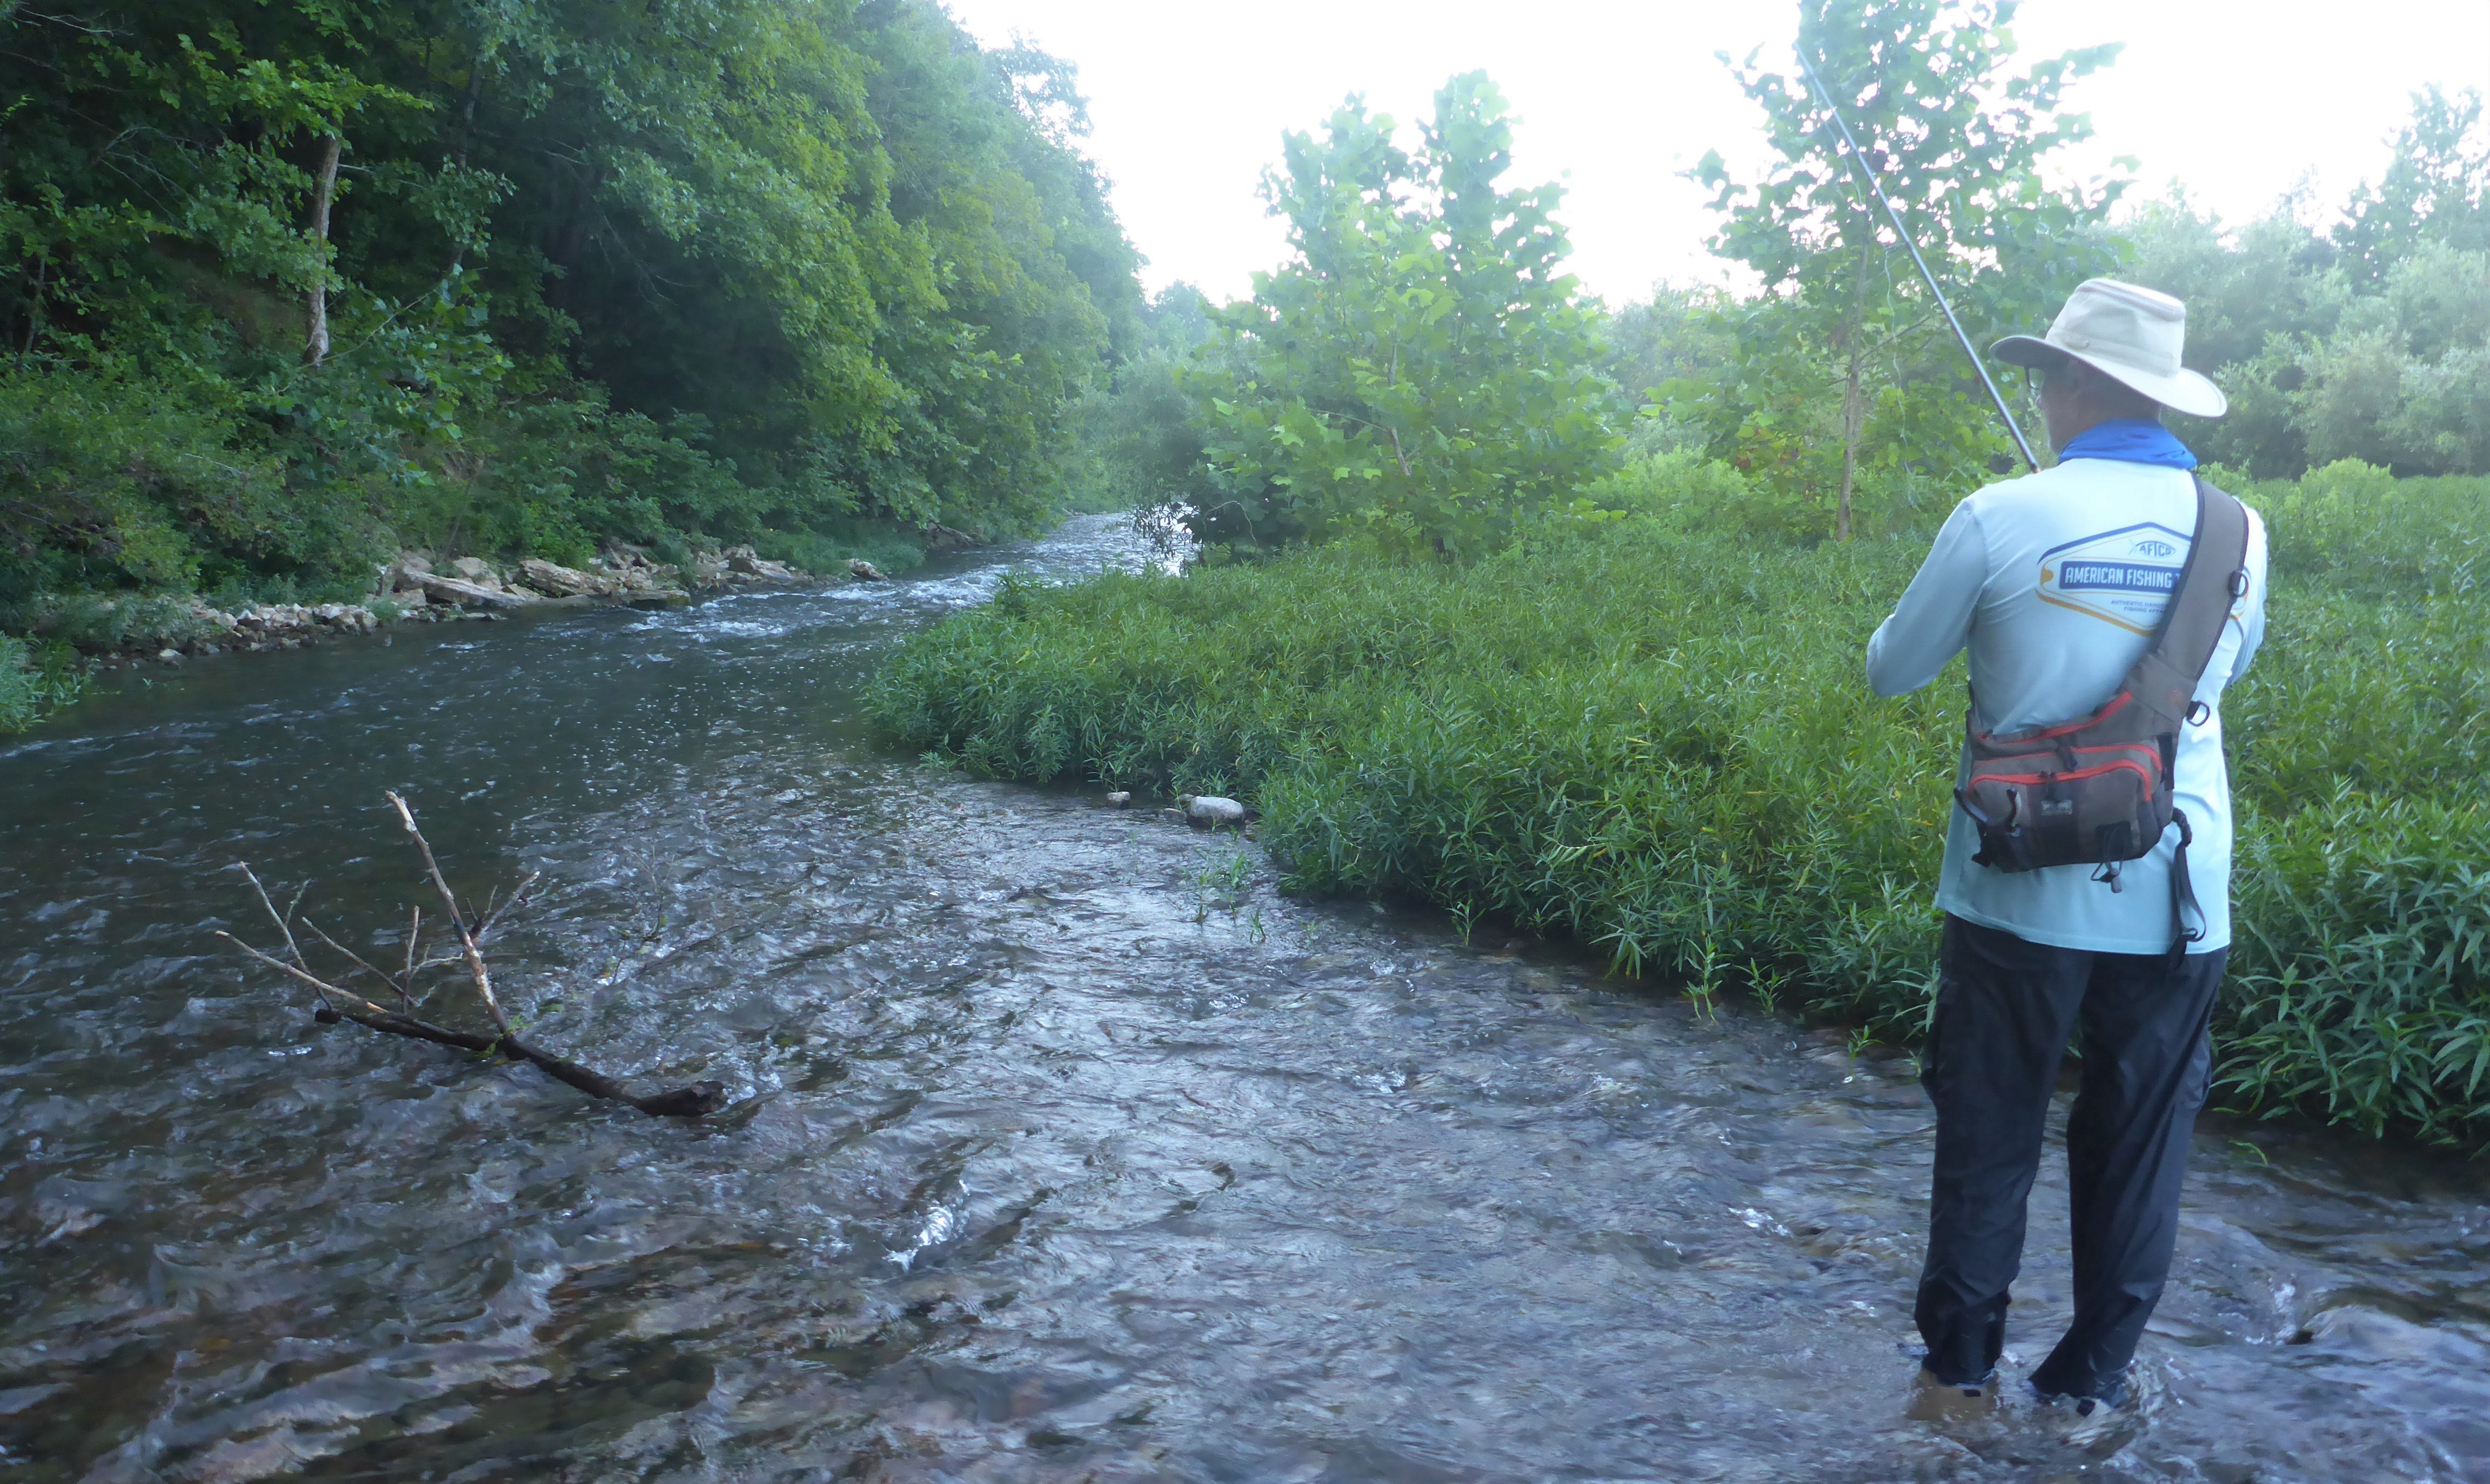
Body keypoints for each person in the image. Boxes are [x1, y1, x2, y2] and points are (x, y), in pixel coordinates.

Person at [1863, 278, 2269, 1422]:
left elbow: (1891, 666)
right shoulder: (2244, 531)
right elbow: (2217, 679)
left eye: (2050, 374)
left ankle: (1957, 1384)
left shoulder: (2000, 513)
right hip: (2182, 899)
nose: (2040, 392)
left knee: (1991, 1136)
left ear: (2078, 383)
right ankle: (2089, 1390)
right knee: (2141, 1148)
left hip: (2016, 896)